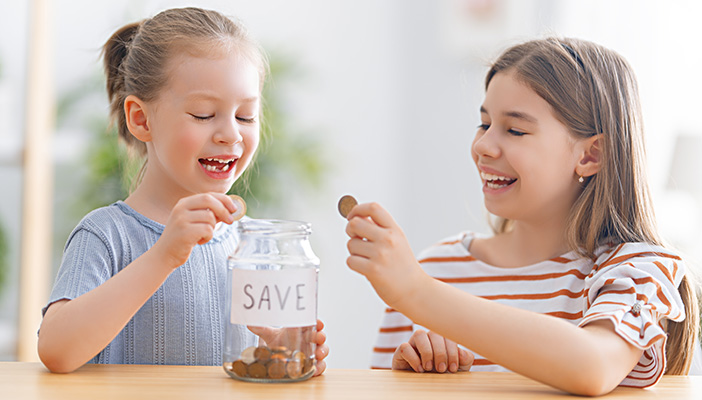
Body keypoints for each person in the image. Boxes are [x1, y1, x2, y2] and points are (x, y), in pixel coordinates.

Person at [343, 37, 700, 396]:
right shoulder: (437, 267)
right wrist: (412, 378)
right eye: (484, 125)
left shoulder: (636, 272)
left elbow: (593, 366)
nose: (482, 146)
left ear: (591, 155)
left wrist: (416, 291)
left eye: (515, 130)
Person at [38, 7, 328, 374]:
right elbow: (56, 350)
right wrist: (163, 255)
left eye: (245, 116)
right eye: (204, 114)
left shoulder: (251, 245)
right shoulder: (106, 235)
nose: (231, 134)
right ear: (141, 119)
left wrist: (287, 350)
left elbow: (264, 354)